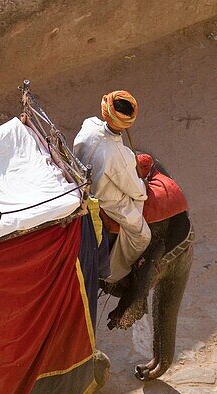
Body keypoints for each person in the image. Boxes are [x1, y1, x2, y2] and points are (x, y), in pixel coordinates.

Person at [73, 90, 149, 284]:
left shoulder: (89, 124)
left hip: (77, 180)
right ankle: (115, 275)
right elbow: (136, 190)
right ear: (128, 123)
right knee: (142, 235)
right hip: (106, 201)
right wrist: (143, 187)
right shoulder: (118, 156)